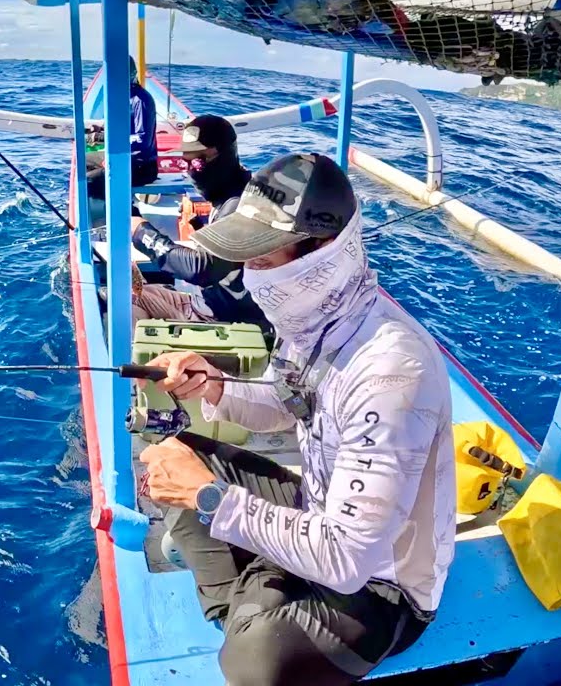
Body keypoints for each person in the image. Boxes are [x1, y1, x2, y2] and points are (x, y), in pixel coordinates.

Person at [136, 153, 456, 685]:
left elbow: (349, 561)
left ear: (321, 251)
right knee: (170, 458)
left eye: (262, 258)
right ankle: (247, 603)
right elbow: (286, 402)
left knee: (254, 662)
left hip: (384, 584)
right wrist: (214, 385)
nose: (250, 276)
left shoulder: (392, 371)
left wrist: (211, 498)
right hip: (318, 508)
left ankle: (252, 603)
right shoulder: (313, 322)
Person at [128, 115, 267, 332]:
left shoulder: (242, 204)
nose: (191, 170)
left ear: (226, 156)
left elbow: (201, 269)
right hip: (208, 304)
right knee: (126, 294)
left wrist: (141, 233)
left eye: (200, 161)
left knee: (126, 303)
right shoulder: (230, 192)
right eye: (186, 162)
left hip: (223, 321)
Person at [86, 56, 158, 206]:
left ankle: (128, 211)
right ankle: (109, 202)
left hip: (141, 167)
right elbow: (123, 129)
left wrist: (105, 138)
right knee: (84, 161)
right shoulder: (124, 97)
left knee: (88, 181)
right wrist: (102, 131)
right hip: (125, 160)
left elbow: (141, 140)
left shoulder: (140, 100)